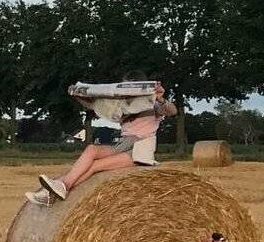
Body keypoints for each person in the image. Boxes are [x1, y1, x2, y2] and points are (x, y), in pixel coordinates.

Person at [26, 79, 176, 205]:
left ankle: (60, 188)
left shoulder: (154, 106)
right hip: (122, 144)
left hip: (139, 149)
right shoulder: (122, 107)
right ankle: (59, 188)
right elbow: (95, 106)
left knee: (96, 166)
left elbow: (172, 111)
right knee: (91, 149)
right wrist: (79, 94)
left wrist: (160, 97)